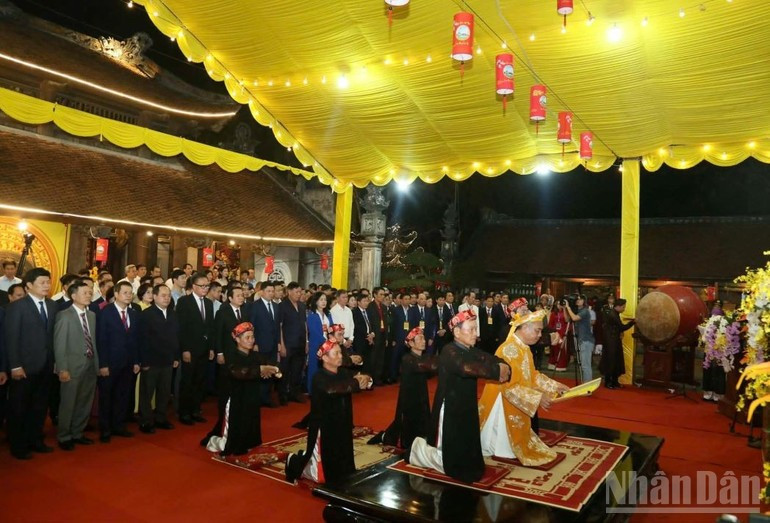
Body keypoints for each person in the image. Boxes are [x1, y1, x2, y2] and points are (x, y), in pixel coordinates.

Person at [409, 311, 511, 483]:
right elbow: (465, 368)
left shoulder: (470, 349)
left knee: (467, 439)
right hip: (450, 406)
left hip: (466, 404)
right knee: (448, 452)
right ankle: (416, 451)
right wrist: (495, 371)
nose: (475, 334)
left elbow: (489, 358)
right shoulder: (449, 350)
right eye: (470, 330)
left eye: (475, 329)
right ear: (457, 333)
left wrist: (503, 365)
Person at [478, 309, 570, 466]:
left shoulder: (523, 347)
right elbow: (509, 386)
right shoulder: (510, 349)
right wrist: (538, 397)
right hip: (501, 399)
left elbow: (532, 375)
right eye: (537, 330)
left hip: (516, 397)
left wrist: (554, 386)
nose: (540, 335)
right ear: (525, 328)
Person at [285, 339, 372, 484]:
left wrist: (366, 379)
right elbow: (333, 389)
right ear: (325, 357)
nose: (340, 356)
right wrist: (356, 382)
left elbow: (359, 380)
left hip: (342, 424)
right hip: (325, 429)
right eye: (336, 353)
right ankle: (293, 462)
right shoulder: (319, 377)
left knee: (345, 464)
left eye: (340, 353)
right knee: (321, 475)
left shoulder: (343, 373)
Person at [4, 268, 58, 459]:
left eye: (48, 282)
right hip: (24, 367)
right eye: (42, 282)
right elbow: (11, 339)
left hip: (46, 366)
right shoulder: (17, 307)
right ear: (28, 285)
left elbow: (52, 337)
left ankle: (36, 440)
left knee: (39, 407)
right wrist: (15, 366)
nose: (46, 286)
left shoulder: (52, 306)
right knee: (19, 407)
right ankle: (18, 445)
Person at [209, 322, 279, 456]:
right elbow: (238, 372)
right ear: (237, 339)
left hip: (250, 396)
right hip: (234, 398)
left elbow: (269, 362)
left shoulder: (254, 355)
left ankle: (251, 441)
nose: (251, 340)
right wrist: (260, 370)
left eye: (252, 337)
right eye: (247, 337)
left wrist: (274, 369)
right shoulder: (230, 355)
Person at [369, 327, 437, 450]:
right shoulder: (407, 359)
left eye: (423, 338)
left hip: (422, 396)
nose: (423, 341)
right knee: (406, 426)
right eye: (420, 339)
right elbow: (426, 367)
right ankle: (386, 437)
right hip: (410, 398)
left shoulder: (424, 357)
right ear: (411, 343)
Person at [53, 280, 99, 450]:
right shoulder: (64, 315)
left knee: (84, 401)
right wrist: (62, 368)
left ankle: (78, 432)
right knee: (68, 403)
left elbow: (93, 342)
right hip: (71, 367)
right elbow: (59, 344)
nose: (89, 295)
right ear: (73, 296)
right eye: (85, 292)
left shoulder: (92, 316)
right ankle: (64, 436)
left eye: (90, 292)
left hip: (89, 365)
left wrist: (97, 364)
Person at [96, 281, 141, 442]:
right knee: (107, 397)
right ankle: (105, 429)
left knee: (123, 396)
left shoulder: (134, 313)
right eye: (125, 292)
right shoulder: (105, 312)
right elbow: (101, 340)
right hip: (110, 363)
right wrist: (103, 364)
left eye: (131, 293)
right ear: (115, 294)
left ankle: (119, 426)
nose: (129, 295)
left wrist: (136, 361)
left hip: (128, 363)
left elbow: (135, 340)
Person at [137, 285, 178, 434]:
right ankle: (146, 421)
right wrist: (144, 361)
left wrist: (175, 356)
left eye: (168, 295)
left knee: (164, 392)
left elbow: (175, 337)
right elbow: (142, 340)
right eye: (163, 295)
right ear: (154, 297)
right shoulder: (146, 315)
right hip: (151, 361)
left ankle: (161, 418)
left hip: (167, 359)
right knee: (147, 393)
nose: (167, 298)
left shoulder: (173, 314)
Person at [175, 273, 214, 424]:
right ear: (194, 286)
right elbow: (182, 328)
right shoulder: (184, 302)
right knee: (187, 382)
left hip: (204, 349)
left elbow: (210, 328)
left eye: (207, 286)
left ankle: (196, 410)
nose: (205, 289)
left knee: (200, 381)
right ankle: (184, 412)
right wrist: (185, 349)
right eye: (202, 286)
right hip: (190, 349)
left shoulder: (209, 303)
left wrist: (211, 348)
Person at [250, 281, 280, 407]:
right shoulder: (254, 306)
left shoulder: (276, 306)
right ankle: (258, 398)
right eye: (268, 291)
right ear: (261, 292)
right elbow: (251, 326)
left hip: (273, 344)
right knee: (261, 371)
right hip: (260, 344)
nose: (271, 293)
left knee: (271, 370)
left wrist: (278, 342)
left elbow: (278, 326)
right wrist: (254, 343)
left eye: (272, 291)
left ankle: (267, 397)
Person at [279, 282, 308, 403]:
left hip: (300, 343)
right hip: (288, 344)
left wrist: (307, 342)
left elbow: (305, 325)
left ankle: (294, 393)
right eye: (296, 292)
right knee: (285, 371)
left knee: (297, 370)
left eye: (300, 292)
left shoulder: (302, 306)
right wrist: (282, 345)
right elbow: (280, 327)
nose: (299, 294)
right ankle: (283, 395)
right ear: (289, 292)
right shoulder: (282, 306)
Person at [599, 298, 635, 389]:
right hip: (611, 341)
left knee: (616, 361)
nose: (624, 309)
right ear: (618, 306)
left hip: (613, 340)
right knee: (612, 361)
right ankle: (608, 382)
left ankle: (614, 381)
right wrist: (633, 322)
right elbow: (622, 327)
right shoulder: (613, 315)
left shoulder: (614, 313)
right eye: (623, 307)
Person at [564, 295, 595, 383]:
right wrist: (564, 308)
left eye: (580, 299)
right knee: (583, 364)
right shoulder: (578, 311)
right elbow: (567, 320)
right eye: (577, 299)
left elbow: (574, 318)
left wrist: (568, 307)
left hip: (586, 340)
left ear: (584, 301)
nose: (578, 301)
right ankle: (586, 384)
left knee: (585, 365)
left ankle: (588, 386)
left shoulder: (585, 311)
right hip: (582, 340)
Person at [307, 291, 333, 393]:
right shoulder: (312, 314)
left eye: (325, 300)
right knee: (314, 368)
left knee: (326, 369)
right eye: (321, 300)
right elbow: (314, 331)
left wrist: (331, 340)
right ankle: (312, 390)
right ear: (316, 301)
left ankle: (325, 389)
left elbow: (331, 327)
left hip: (328, 345)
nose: (324, 302)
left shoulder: (328, 314)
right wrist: (326, 342)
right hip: (316, 345)